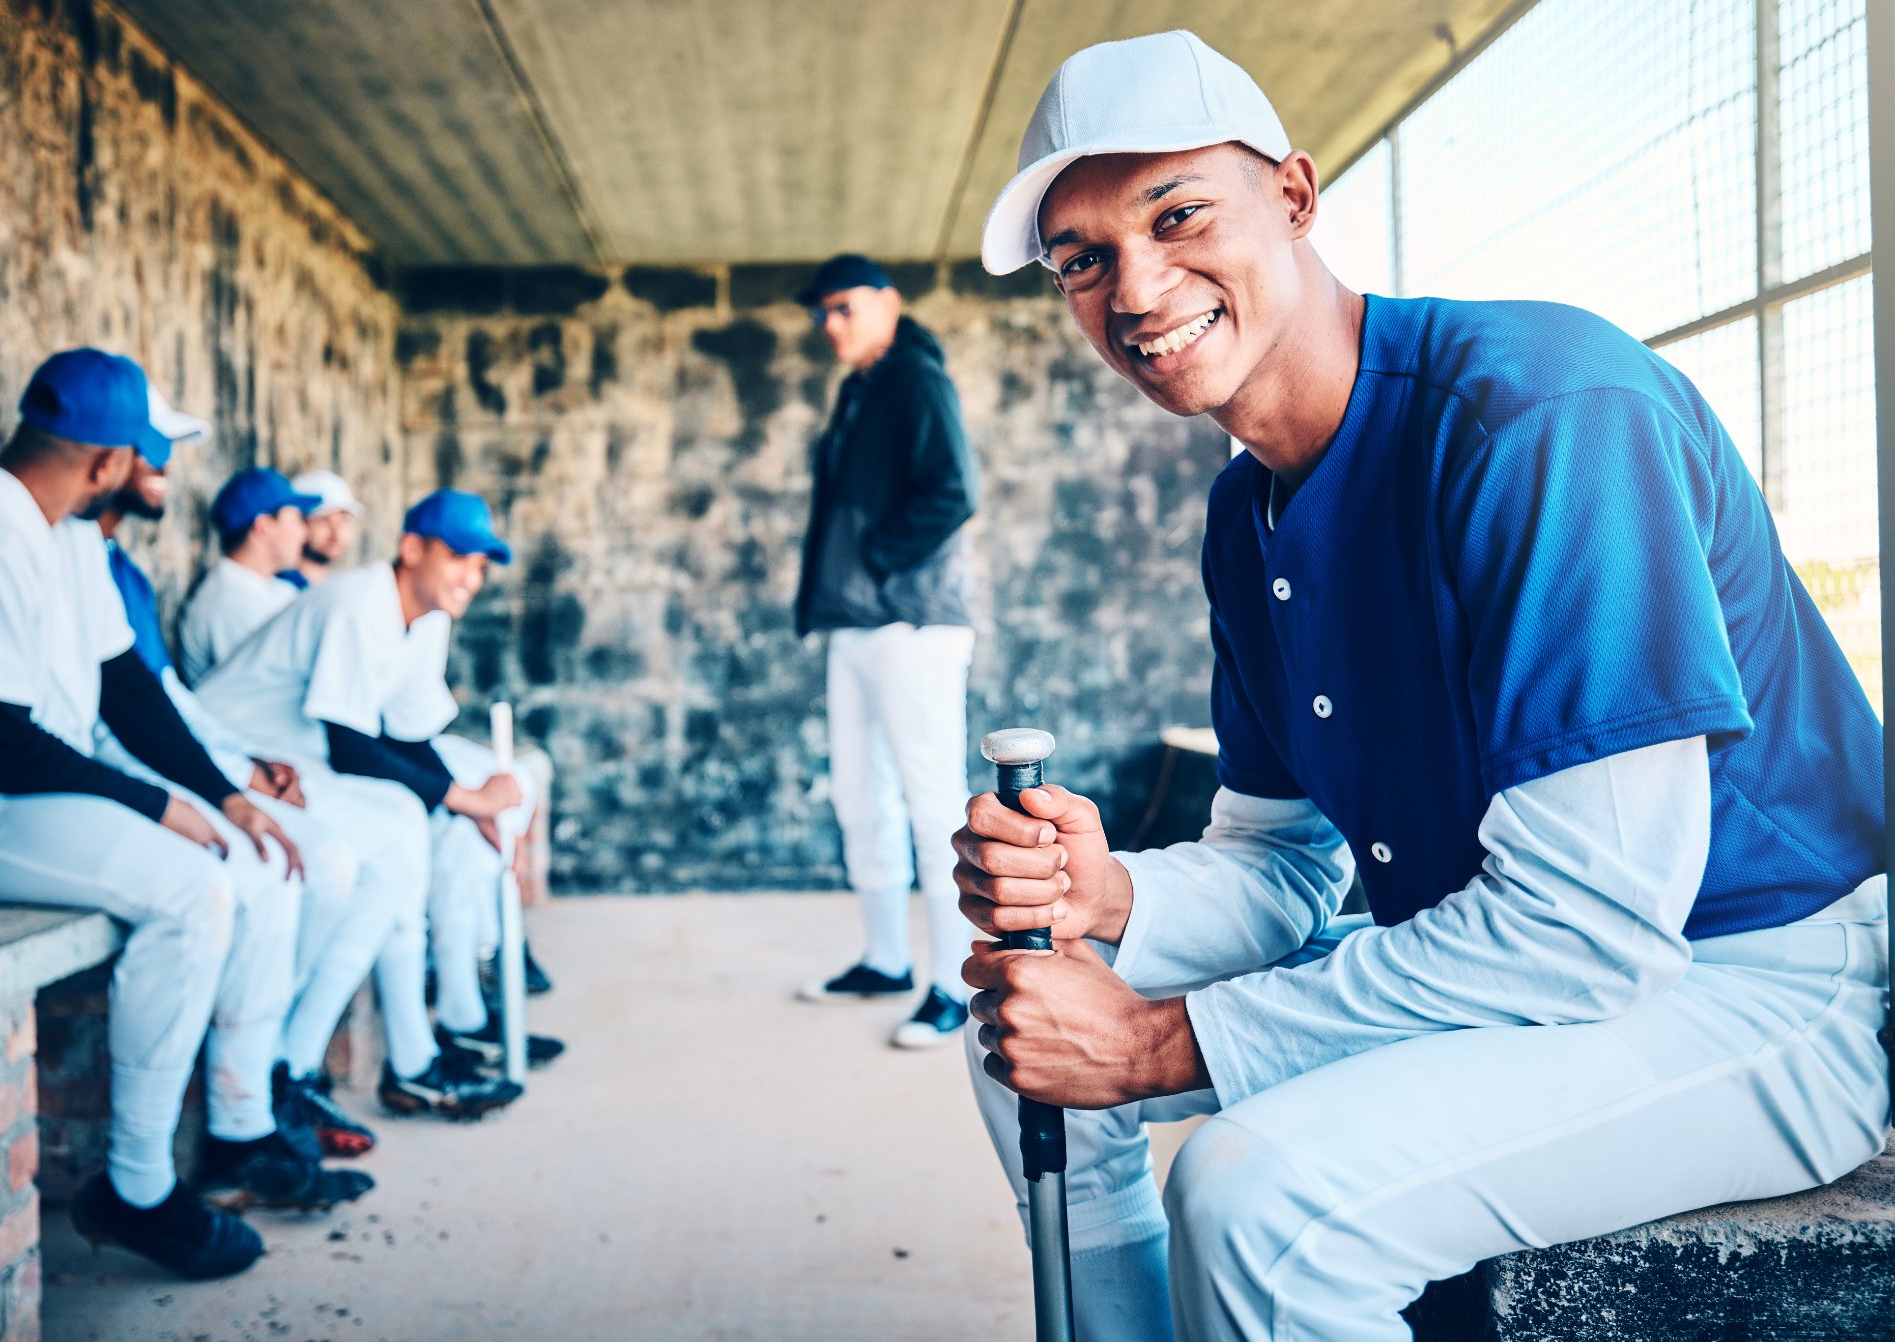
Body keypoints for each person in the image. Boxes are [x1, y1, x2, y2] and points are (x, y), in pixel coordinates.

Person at [953, 31, 1888, 1342]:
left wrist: (1162, 1041)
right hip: (1509, 963)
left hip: (1753, 981)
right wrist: (1109, 893)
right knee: (1018, 1029)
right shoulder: (1247, 515)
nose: (1137, 286)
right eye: (1085, 259)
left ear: (1292, 195)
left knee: (1260, 1201)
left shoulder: (1544, 410)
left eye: (1178, 216)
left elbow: (1586, 932)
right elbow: (1282, 872)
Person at [0, 351, 358, 1281]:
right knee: (193, 890)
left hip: (30, 797)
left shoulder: (64, 530)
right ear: (105, 461)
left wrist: (223, 798)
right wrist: (158, 804)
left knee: (248, 856)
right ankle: (139, 1189)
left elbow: (128, 691)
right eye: (143, 452)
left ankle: (236, 1126)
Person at [97, 391, 414, 1158]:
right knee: (287, 863)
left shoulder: (114, 567)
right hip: (93, 778)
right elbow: (118, 715)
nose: (166, 465)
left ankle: (264, 1090)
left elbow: (156, 695)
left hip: (181, 758)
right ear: (101, 456)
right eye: (152, 449)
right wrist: (226, 781)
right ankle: (223, 1120)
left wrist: (238, 772)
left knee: (340, 853)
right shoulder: (195, 588)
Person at [195, 489, 559, 1101]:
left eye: (480, 564)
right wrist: (463, 800)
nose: (471, 577)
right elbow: (350, 744)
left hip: (300, 764)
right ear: (411, 549)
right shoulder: (360, 601)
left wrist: (469, 804)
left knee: (411, 836)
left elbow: (409, 734)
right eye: (457, 558)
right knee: (400, 832)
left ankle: (352, 1062)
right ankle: (316, 1065)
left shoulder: (428, 617)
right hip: (232, 756)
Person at [791, 253, 982, 1048]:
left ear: (887, 303)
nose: (830, 324)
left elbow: (952, 491)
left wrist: (874, 562)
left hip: (909, 621)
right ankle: (886, 958)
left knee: (932, 801)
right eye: (822, 314)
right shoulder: (861, 389)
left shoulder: (915, 379)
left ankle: (949, 984)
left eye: (844, 308)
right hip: (856, 623)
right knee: (859, 796)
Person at [177, 467, 317, 684]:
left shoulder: (274, 587)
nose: (305, 533)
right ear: (264, 527)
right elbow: (269, 688)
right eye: (297, 519)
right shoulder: (226, 601)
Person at [282, 469, 362, 589]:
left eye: (343, 520)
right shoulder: (276, 589)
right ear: (298, 522)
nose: (336, 532)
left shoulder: (344, 589)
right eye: (324, 520)